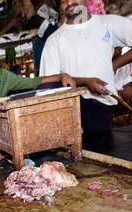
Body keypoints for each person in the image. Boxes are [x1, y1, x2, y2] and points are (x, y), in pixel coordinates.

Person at [0, 37, 75, 158]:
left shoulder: (4, 76)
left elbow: (31, 83)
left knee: (28, 134)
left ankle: (17, 153)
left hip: (5, 131)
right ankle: (14, 152)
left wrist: (62, 76)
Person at [39, 0, 132, 139]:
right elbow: (48, 84)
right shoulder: (54, 40)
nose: (69, 3)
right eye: (64, 1)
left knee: (103, 150)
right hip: (72, 110)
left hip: (102, 105)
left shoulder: (109, 23)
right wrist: (85, 82)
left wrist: (115, 64)